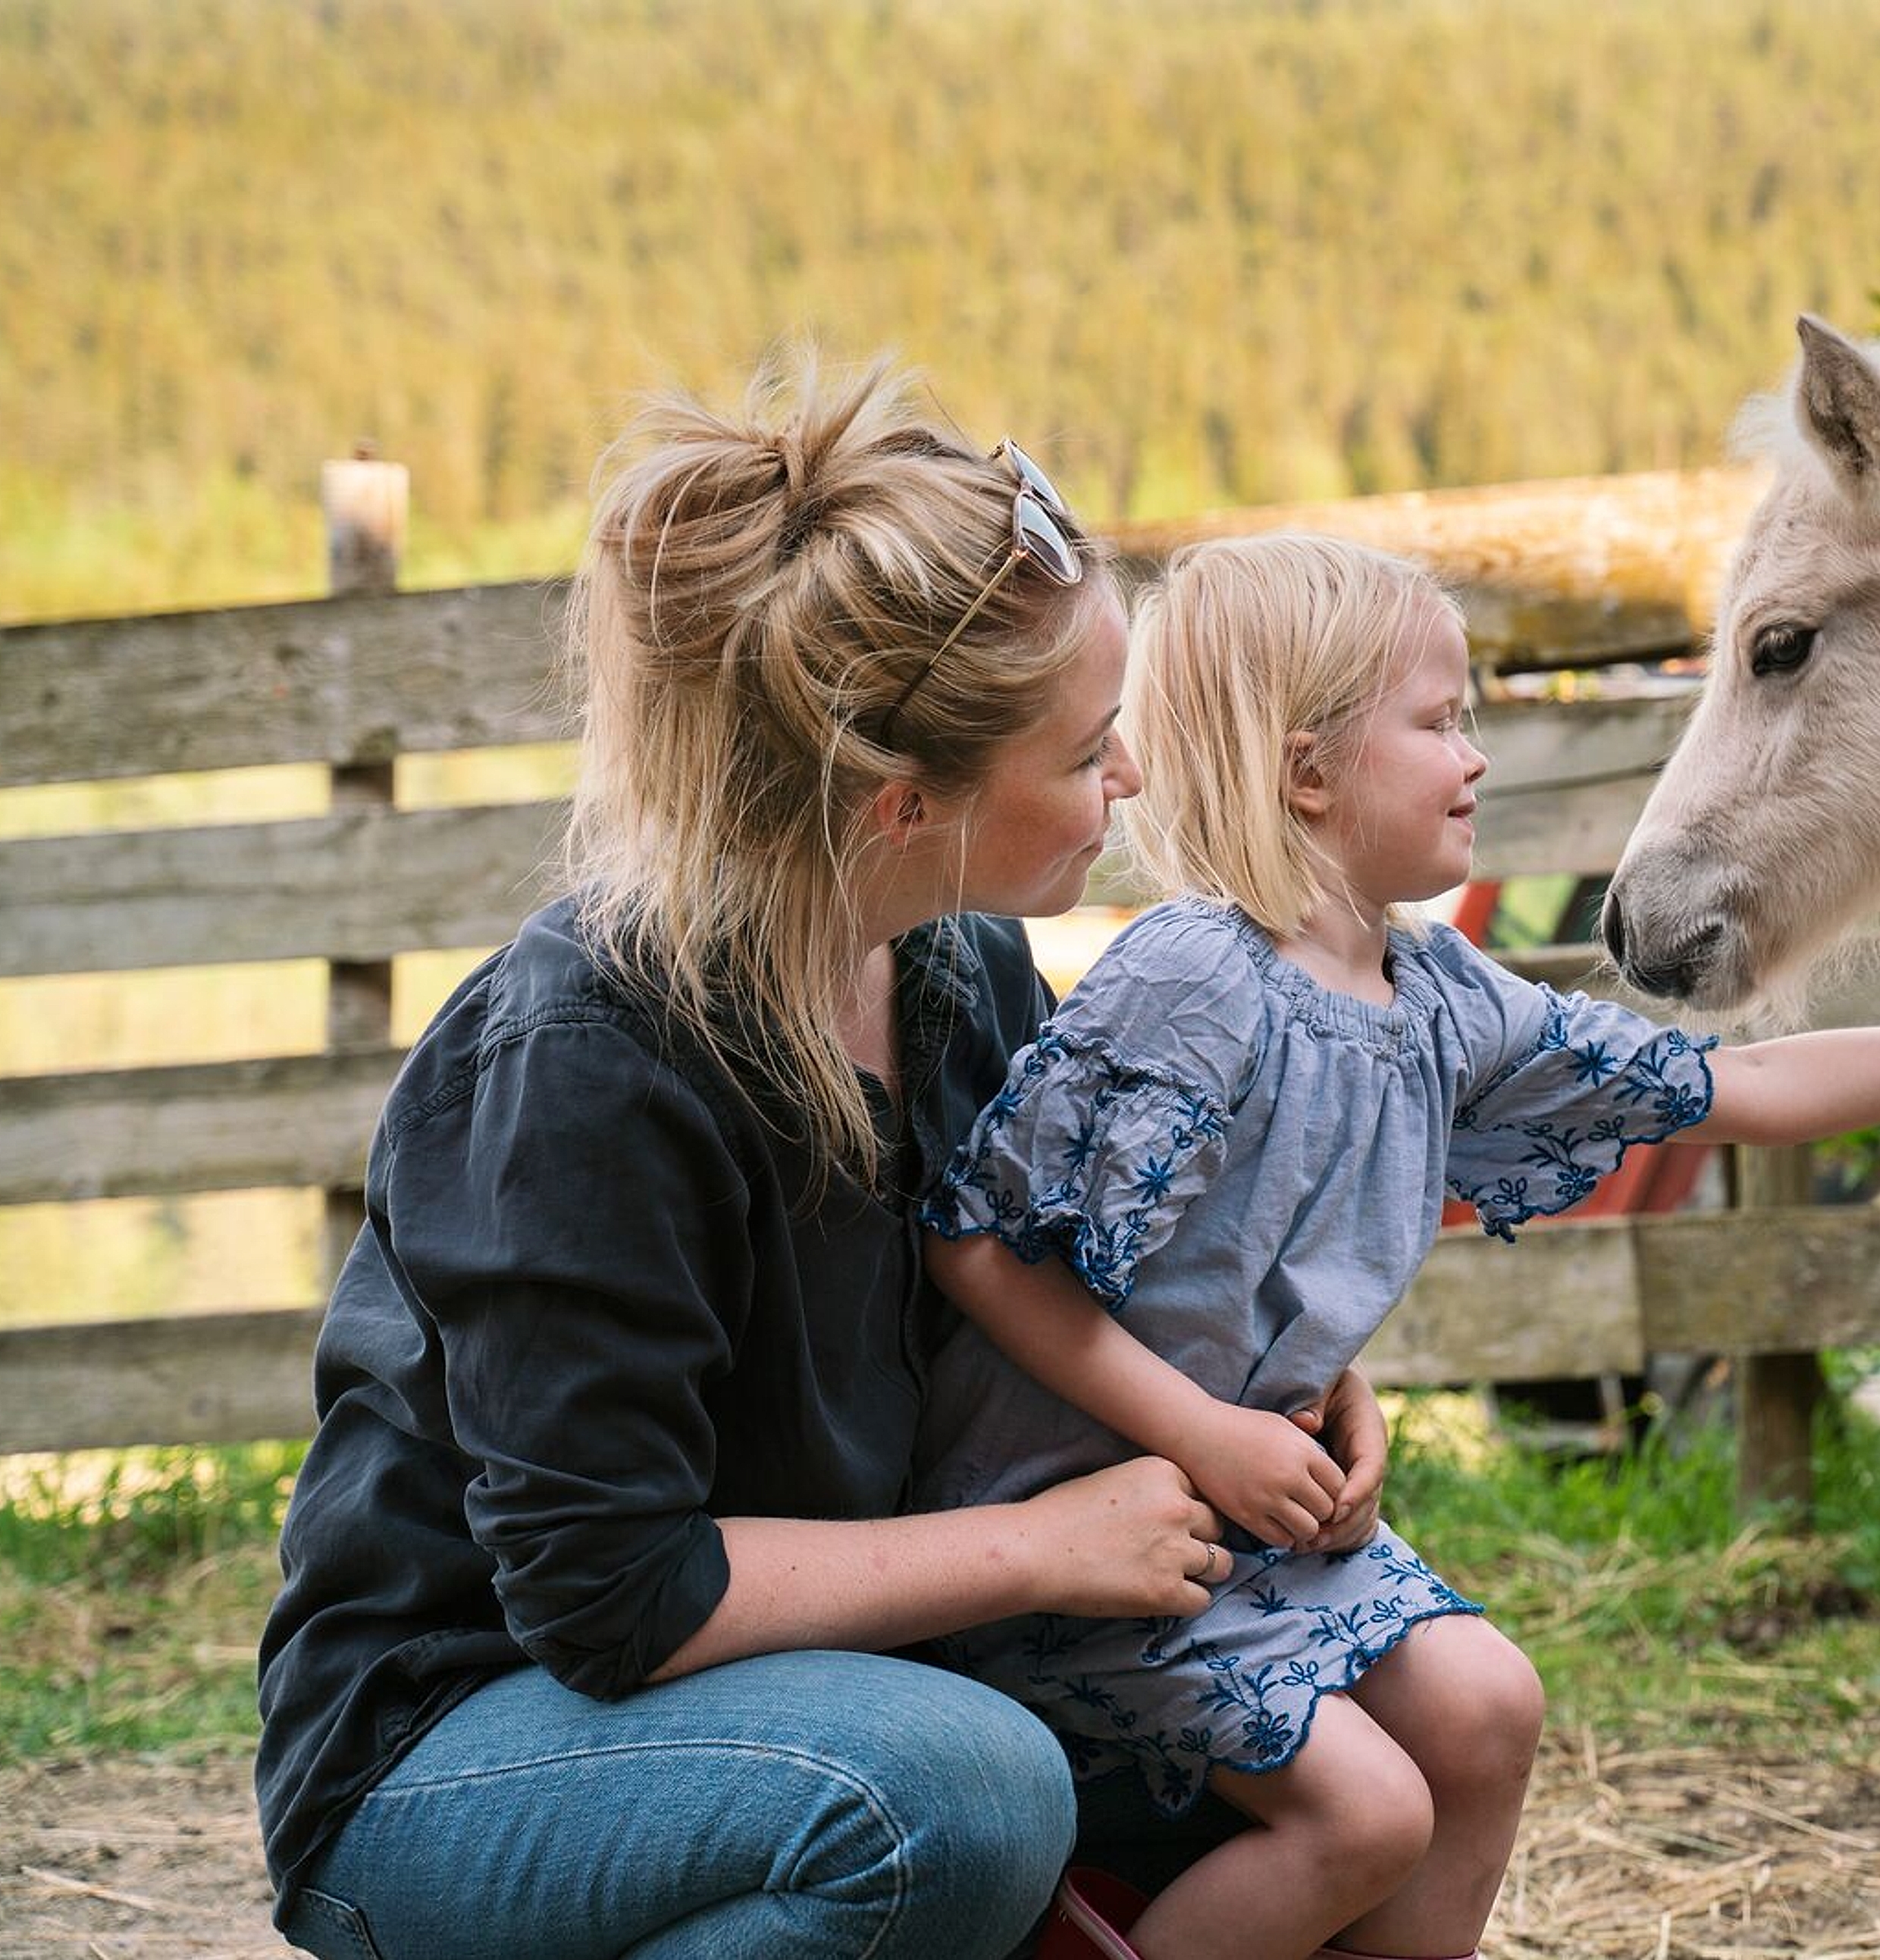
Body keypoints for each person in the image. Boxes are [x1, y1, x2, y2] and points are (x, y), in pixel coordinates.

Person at [911, 533, 1880, 1960]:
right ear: (1310, 772)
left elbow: (1732, 1088)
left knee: (1491, 1706)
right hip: (1093, 1532)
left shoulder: (1436, 993)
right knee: (1366, 1814)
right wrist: (1209, 1432)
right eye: (1440, 724)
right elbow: (987, 1255)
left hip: (1254, 1518)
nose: (1477, 758)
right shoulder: (1193, 984)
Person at [252, 354, 1308, 1959]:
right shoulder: (585, 1067)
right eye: (1089, 749)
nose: (1133, 778)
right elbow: (610, 1601)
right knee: (962, 1798)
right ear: (900, 805)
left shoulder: (959, 975)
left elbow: (1058, 1301)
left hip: (812, 1684)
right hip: (462, 1752)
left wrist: (1272, 1383)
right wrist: (1041, 1547)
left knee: (1315, 1724)